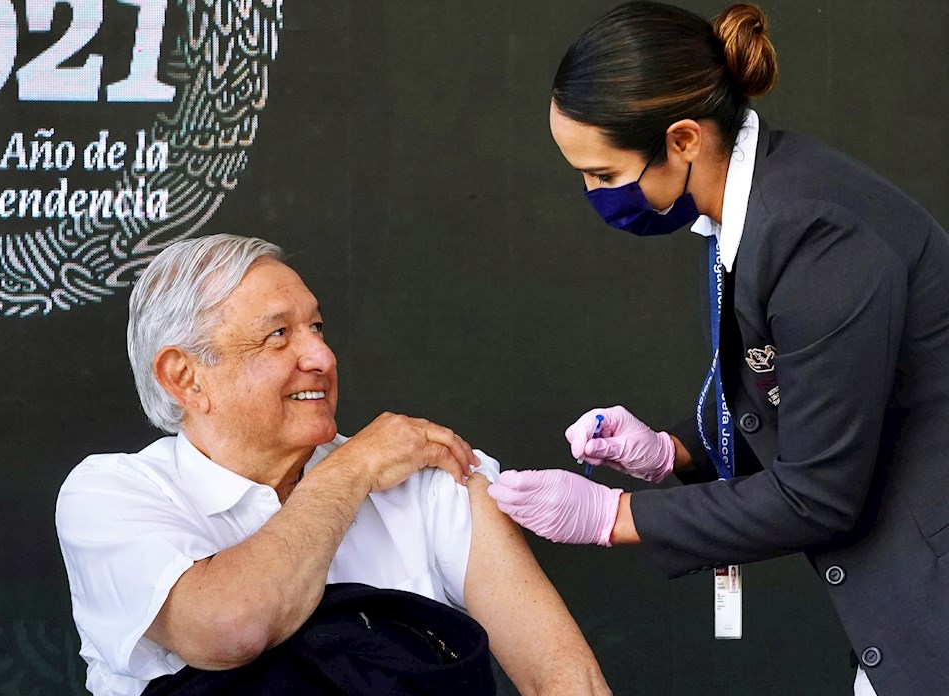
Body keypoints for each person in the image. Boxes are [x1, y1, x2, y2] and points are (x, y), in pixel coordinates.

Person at [487, 3, 949, 696]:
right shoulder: (754, 205)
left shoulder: (815, 236)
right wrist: (674, 450)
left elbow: (819, 495)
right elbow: (813, 390)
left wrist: (610, 516)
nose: (593, 195)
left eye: (605, 175)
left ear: (682, 140)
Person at [56, 234, 610, 696]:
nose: (322, 357)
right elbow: (228, 628)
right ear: (185, 378)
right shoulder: (111, 495)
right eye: (278, 335)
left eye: (316, 328)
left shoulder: (429, 479)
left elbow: (566, 680)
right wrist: (352, 468)